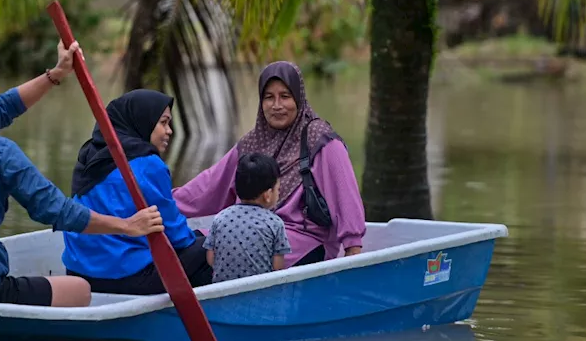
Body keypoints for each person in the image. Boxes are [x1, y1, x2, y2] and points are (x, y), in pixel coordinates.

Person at [0, 41, 164, 309]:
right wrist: (127, 225)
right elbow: (57, 210)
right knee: (80, 289)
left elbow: (3, 109)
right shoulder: (1, 153)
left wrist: (55, 74)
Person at [175, 61, 366, 265]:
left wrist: (352, 249)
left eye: (285, 96)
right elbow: (208, 187)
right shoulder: (252, 143)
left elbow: (345, 195)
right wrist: (160, 205)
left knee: (203, 258)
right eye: (269, 97)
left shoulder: (319, 139)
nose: (277, 106)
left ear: (298, 98)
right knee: (187, 244)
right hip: (246, 231)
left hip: (302, 240)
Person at [61, 89, 213, 294]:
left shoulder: (88, 155)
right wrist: (202, 240)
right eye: (164, 122)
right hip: (125, 277)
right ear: (144, 121)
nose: (169, 131)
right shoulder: (148, 164)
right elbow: (176, 234)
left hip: (77, 273)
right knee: (213, 246)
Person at [204, 152, 292, 284]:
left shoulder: (220, 217)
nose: (278, 193)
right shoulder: (275, 223)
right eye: (277, 189)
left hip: (223, 292)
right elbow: (277, 267)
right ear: (268, 194)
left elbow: (211, 258)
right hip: (259, 294)